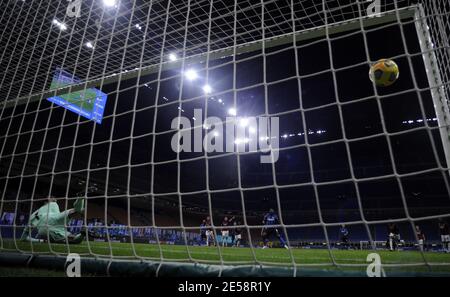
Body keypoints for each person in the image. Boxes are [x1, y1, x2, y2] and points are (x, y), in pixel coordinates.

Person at [21, 197, 86, 244]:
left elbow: (23, 238)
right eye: (51, 197)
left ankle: (83, 234)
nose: (54, 198)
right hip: (53, 220)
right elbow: (24, 238)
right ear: (45, 202)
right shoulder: (53, 204)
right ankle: (80, 197)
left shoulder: (34, 215)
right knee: (76, 211)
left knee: (73, 238)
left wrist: (40, 240)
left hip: (47, 228)